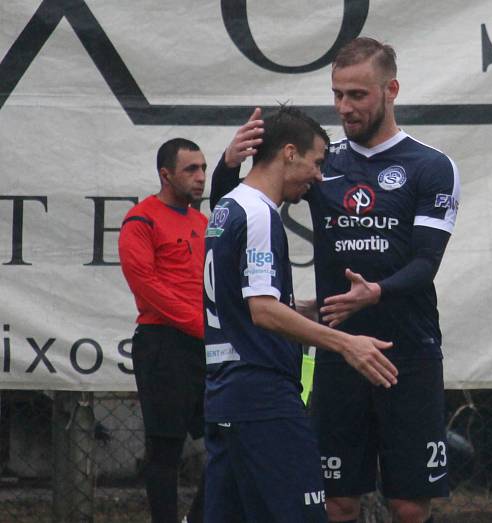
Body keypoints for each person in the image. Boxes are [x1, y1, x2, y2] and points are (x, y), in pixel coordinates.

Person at [211, 37, 460, 523]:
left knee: (409, 506)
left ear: (391, 90)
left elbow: (427, 261)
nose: (345, 107)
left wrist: (378, 292)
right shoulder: (323, 163)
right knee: (337, 503)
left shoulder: (431, 166)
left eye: (358, 95)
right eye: (338, 94)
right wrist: (227, 165)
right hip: (338, 353)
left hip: (406, 351)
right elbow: (237, 213)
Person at [202, 106, 399, 522]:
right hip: (263, 397)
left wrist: (304, 310)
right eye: (317, 162)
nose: (319, 176)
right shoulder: (258, 213)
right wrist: (347, 343)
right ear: (289, 153)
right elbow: (263, 312)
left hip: (225, 395)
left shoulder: (227, 206)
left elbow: (242, 301)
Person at [118, 138, 208, 523]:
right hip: (163, 345)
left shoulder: (203, 223)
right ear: (165, 174)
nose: (201, 177)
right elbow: (148, 288)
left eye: (203, 168)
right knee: (165, 449)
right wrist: (201, 326)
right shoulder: (141, 220)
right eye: (191, 169)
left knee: (228, 441)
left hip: (205, 345)